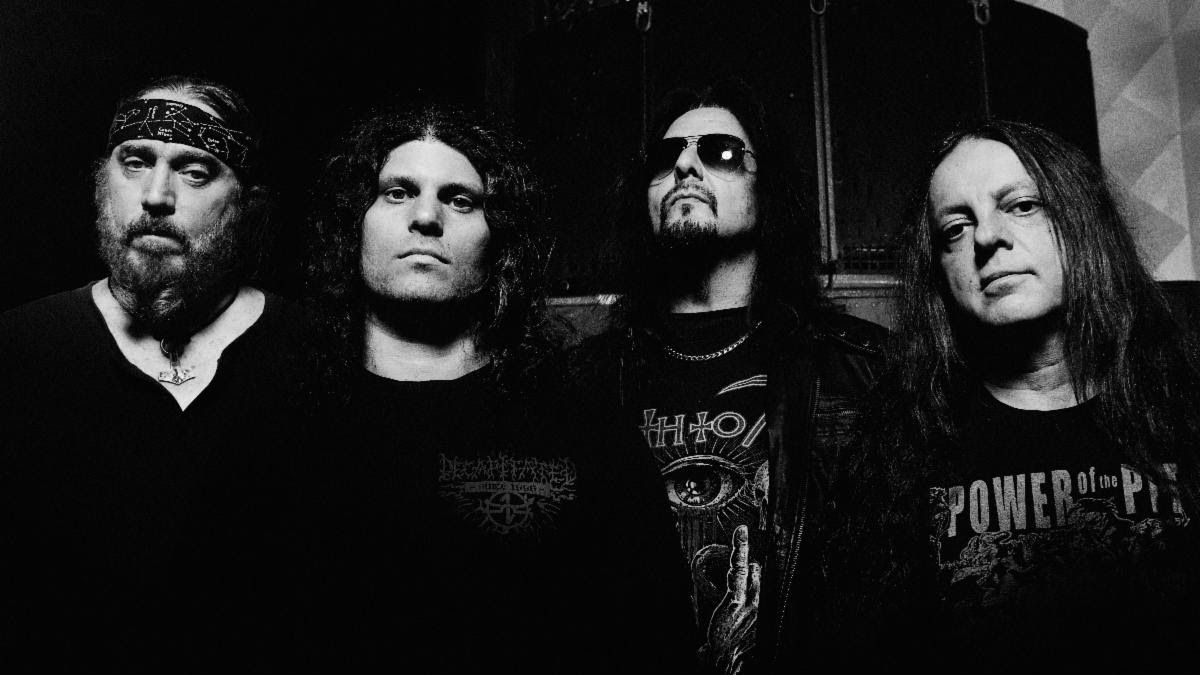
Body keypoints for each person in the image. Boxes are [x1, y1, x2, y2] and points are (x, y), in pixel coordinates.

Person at [302, 102, 694, 673]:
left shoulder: (584, 429)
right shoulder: (288, 424)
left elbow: (660, 641)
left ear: (500, 241)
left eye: (460, 199)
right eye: (397, 192)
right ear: (352, 224)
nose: (426, 217)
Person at [826, 119, 1200, 666]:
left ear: (1081, 221)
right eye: (955, 228)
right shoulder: (896, 445)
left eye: (1022, 205)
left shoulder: (1184, 406)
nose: (985, 238)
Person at [572, 79, 886, 672]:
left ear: (768, 193)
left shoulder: (860, 370)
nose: (685, 166)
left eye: (720, 153)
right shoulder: (584, 381)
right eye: (666, 156)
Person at [0, 75, 309, 666]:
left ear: (248, 206)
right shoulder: (18, 350)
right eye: (136, 162)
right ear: (101, 184)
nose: (156, 196)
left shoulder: (320, 356)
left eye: (195, 171)